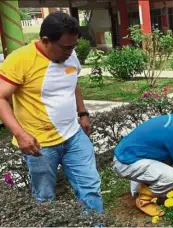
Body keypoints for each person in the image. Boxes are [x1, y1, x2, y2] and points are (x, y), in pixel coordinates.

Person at [0, 12, 103, 212]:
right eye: (66, 47)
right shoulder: (21, 59)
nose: (71, 51)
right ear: (46, 41)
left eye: (74, 46)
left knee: (90, 187)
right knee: (44, 197)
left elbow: (74, 83)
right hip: (40, 144)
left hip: (73, 136)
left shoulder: (69, 54)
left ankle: (96, 225)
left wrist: (83, 113)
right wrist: (20, 134)